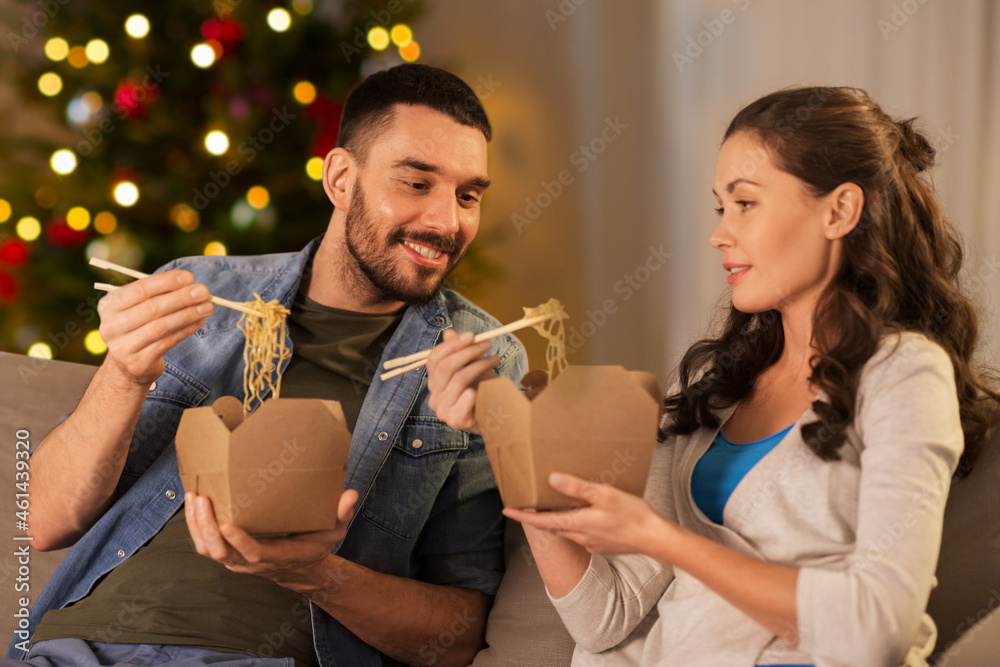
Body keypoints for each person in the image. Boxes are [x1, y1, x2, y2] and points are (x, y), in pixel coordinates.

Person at [427, 86, 1000, 666]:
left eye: (745, 204)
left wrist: (661, 538)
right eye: (720, 208)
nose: (719, 234)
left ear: (839, 210)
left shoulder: (903, 374)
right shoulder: (718, 389)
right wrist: (509, 438)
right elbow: (603, 618)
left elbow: (879, 630)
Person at [12, 63, 527, 667]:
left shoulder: (481, 356)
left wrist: (315, 574)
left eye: (468, 196)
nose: (446, 222)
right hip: (72, 653)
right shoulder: (199, 290)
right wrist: (122, 376)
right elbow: (41, 522)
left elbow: (461, 632)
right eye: (417, 184)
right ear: (340, 178)